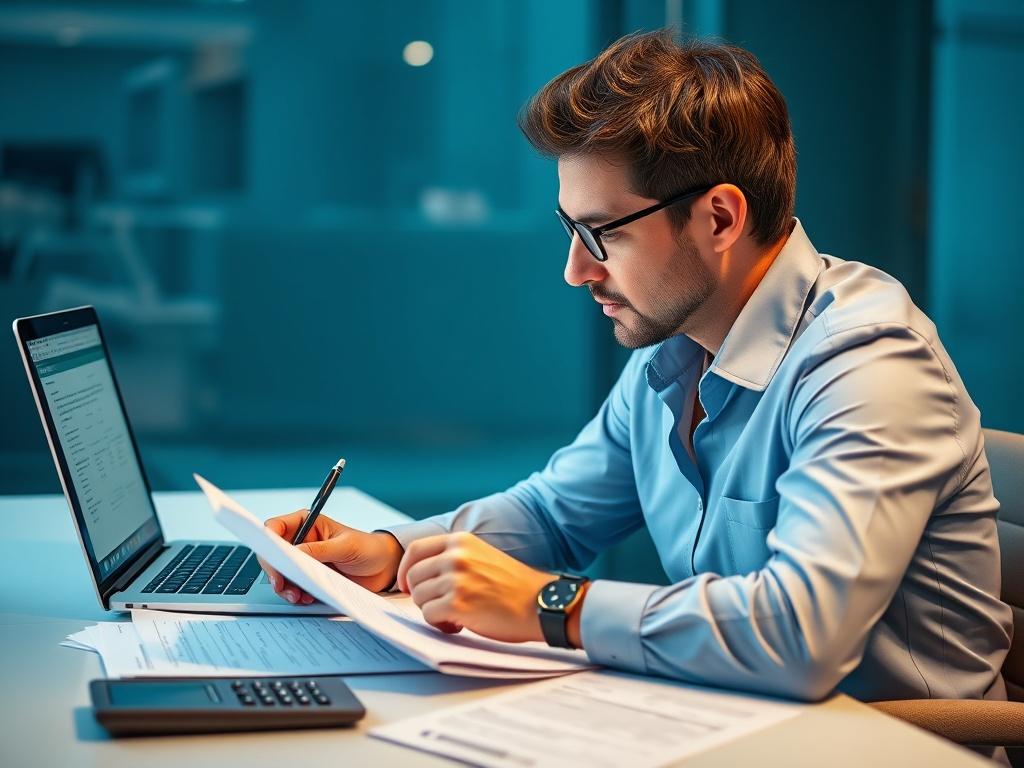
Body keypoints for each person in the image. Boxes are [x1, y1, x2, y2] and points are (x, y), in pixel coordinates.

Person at [258, 30, 1012, 707]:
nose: (574, 270)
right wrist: (394, 554)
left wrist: (554, 606)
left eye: (600, 233)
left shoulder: (868, 363)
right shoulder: (676, 347)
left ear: (719, 218)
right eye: (568, 228)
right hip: (738, 719)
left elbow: (802, 637)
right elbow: (553, 515)